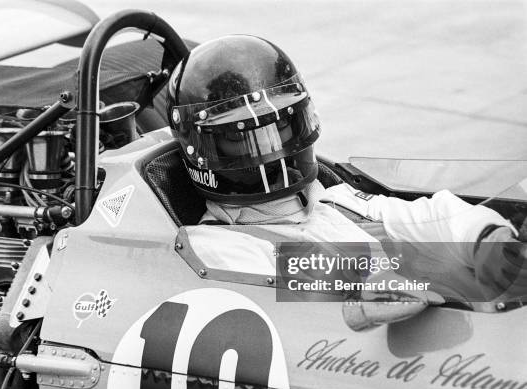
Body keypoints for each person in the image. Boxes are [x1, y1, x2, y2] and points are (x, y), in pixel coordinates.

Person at [167, 34, 526, 304]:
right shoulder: (216, 246)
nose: (271, 147)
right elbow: (289, 289)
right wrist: (371, 288)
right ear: (200, 149)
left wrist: (486, 237)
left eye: (280, 125)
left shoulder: (333, 198)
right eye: (240, 136)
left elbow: (429, 216)